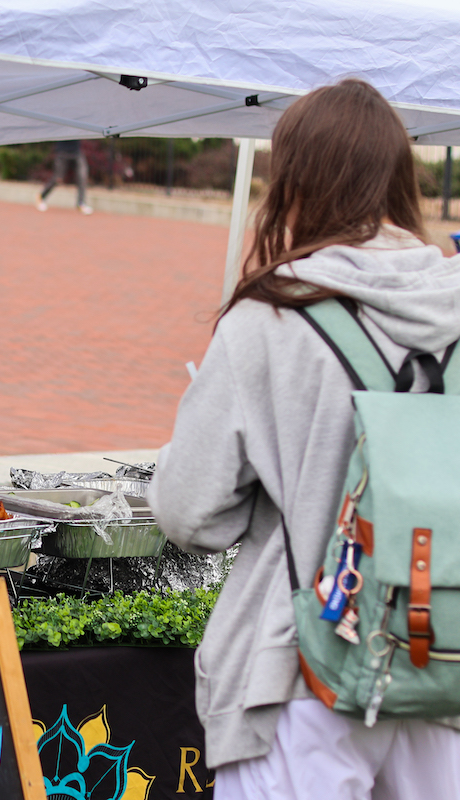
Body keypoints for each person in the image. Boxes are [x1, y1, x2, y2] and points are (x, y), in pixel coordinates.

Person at [147, 79, 460, 798]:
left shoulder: (272, 318)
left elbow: (188, 511)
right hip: (443, 652)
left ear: (291, 179)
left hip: (300, 664)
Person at [37, 140, 92, 214]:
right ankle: (41, 197)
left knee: (82, 177)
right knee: (58, 178)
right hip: (62, 152)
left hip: (77, 152)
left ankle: (81, 203)